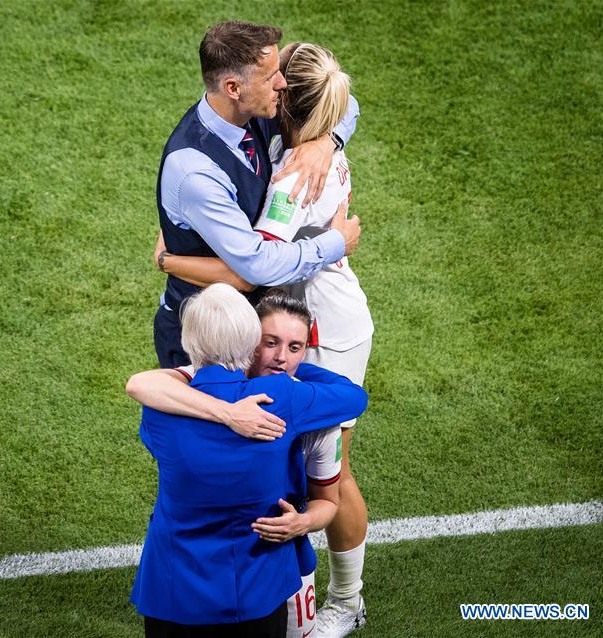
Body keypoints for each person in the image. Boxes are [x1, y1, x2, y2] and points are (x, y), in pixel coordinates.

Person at [147, 43, 373, 638]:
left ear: (286, 105)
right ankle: (282, 591)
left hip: (322, 326)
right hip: (284, 321)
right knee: (276, 453)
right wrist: (330, 137)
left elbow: (254, 271)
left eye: (279, 83)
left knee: (328, 472)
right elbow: (342, 108)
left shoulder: (295, 173)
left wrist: (173, 259)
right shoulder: (296, 140)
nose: (272, 87)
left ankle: (345, 601)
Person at [128, 284, 367, 637]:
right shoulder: (284, 396)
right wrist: (297, 371)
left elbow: (141, 384)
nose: (281, 356)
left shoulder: (160, 410)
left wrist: (194, 379)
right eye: (270, 343)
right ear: (250, 340)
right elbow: (353, 397)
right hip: (257, 590)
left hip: (171, 590)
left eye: (294, 347)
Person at [153, 20, 363, 368]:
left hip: (252, 323)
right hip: (205, 338)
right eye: (270, 78)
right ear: (233, 87)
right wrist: (336, 244)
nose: (282, 84)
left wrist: (326, 143)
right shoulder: (195, 171)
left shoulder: (253, 110)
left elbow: (343, 100)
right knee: (209, 421)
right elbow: (255, 267)